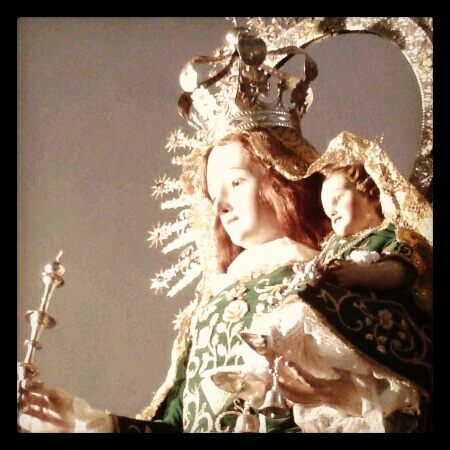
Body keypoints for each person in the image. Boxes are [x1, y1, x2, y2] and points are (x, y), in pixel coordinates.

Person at [17, 26, 432, 433]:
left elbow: (411, 371)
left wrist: (354, 400)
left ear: (284, 182)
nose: (221, 206)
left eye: (236, 182)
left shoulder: (336, 277)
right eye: (213, 195)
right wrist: (83, 422)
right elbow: (175, 426)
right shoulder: (205, 316)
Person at [242, 131, 433, 432]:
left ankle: (274, 351)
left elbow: (402, 271)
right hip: (333, 326)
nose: (331, 210)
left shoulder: (387, 234)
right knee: (297, 305)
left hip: (374, 320)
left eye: (338, 198)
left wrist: (362, 274)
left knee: (306, 306)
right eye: (326, 207)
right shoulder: (332, 245)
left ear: (370, 192)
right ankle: (263, 373)